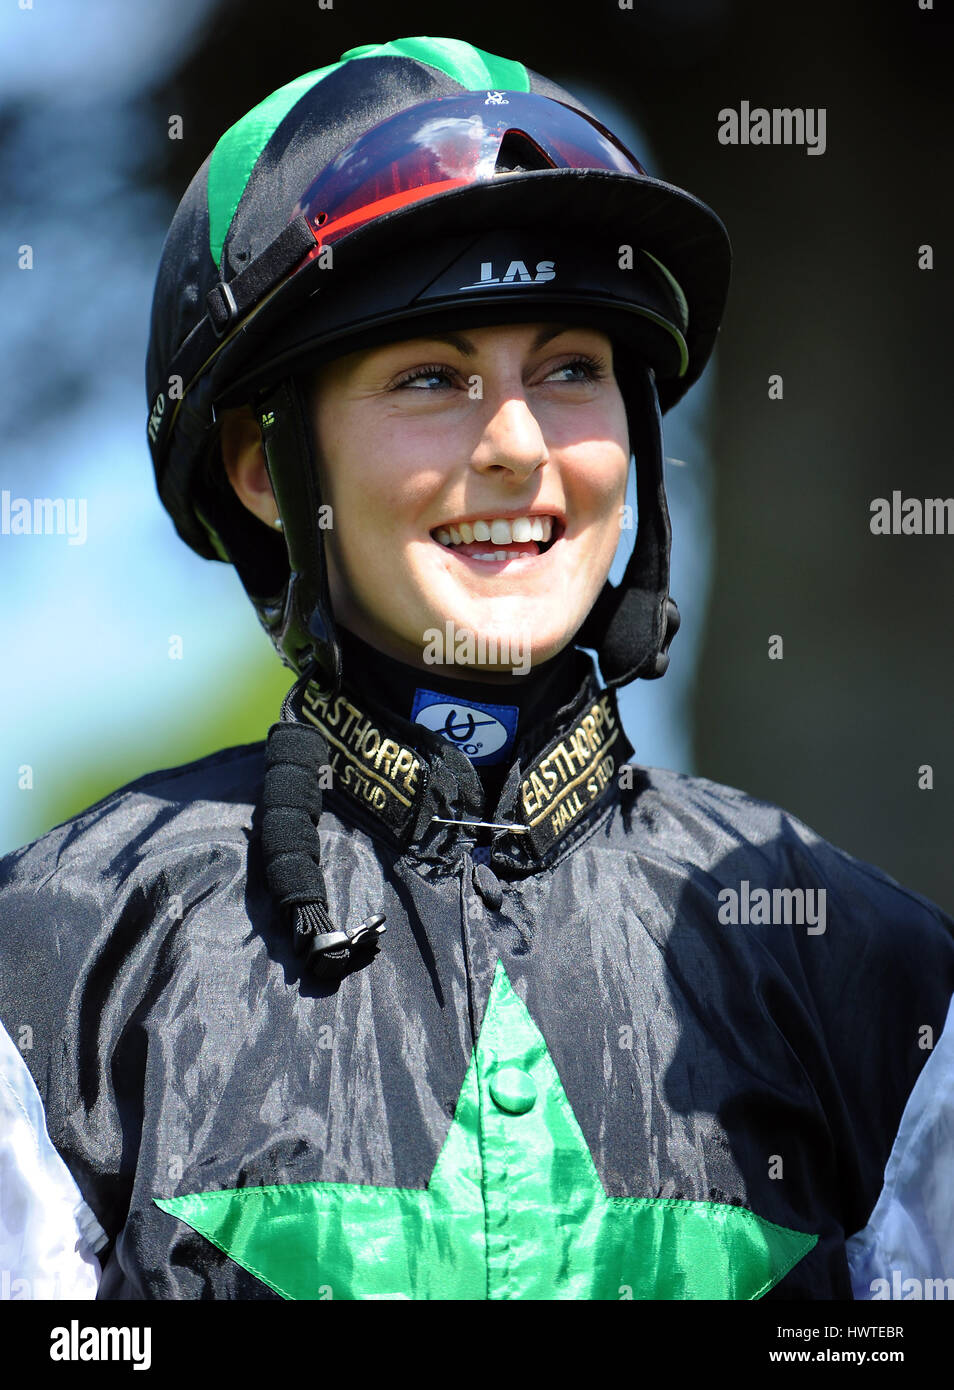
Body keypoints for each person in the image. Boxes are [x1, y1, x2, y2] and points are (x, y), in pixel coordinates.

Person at [1, 35, 952, 1302]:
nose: (516, 445)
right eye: (432, 376)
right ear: (257, 470)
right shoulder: (53, 967)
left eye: (569, 369)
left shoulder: (885, 979)